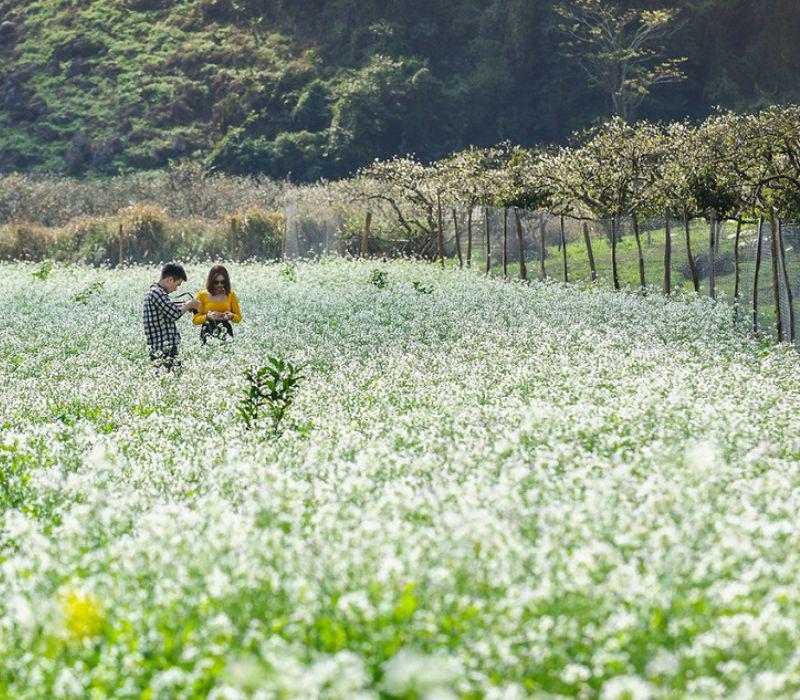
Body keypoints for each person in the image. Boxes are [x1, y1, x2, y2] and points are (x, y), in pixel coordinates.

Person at [142, 263, 199, 371]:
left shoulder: (156, 292)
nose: (176, 289)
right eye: (177, 285)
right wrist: (189, 305)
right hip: (162, 347)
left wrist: (186, 304)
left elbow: (168, 307)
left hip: (164, 347)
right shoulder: (156, 293)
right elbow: (173, 314)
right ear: (170, 280)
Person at [193, 265, 242, 344]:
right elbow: (195, 320)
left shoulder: (231, 295)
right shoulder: (202, 295)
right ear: (211, 281)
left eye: (223, 282)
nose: (220, 285)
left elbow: (238, 317)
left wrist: (231, 316)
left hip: (226, 331)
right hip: (207, 330)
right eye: (216, 282)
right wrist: (207, 317)